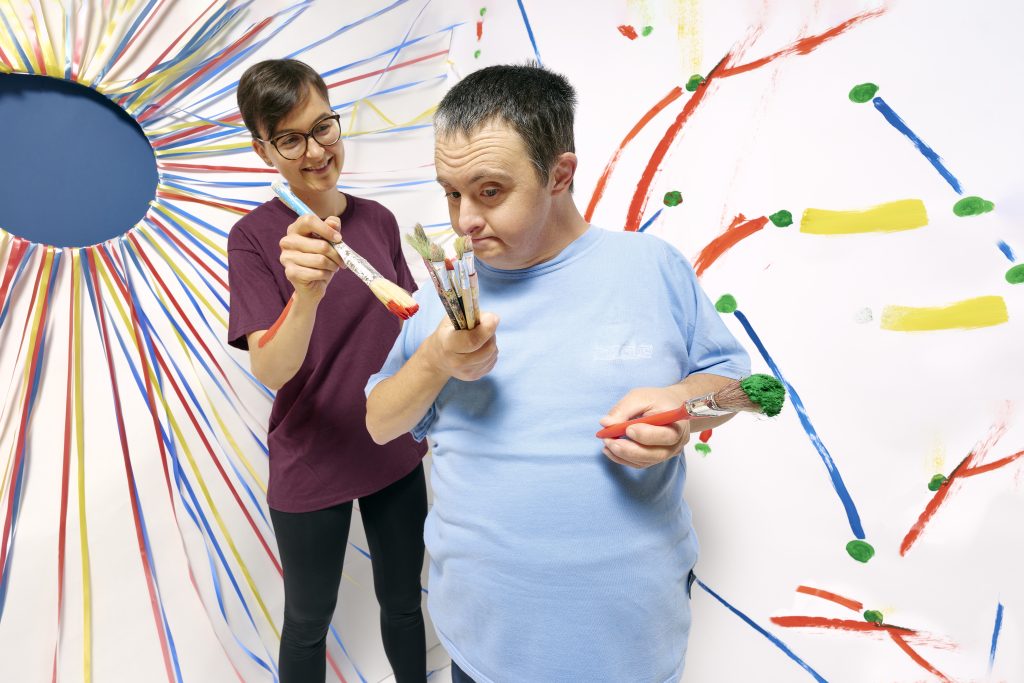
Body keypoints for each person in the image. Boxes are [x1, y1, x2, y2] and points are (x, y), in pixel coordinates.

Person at [364, 64, 751, 682]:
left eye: (490, 191)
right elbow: (380, 424)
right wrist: (436, 360)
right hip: (483, 646)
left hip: (632, 646)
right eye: (451, 193)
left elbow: (739, 389)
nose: (463, 220)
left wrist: (684, 406)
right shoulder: (446, 293)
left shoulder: (652, 267)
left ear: (559, 175)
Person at [227, 59, 428, 683]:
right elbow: (271, 369)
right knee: (308, 621)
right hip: (311, 455)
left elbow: (409, 328)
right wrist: (306, 293)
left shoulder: (379, 220)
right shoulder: (253, 238)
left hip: (393, 445)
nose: (315, 152)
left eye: (322, 127)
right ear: (263, 150)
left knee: (404, 604)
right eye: (289, 139)